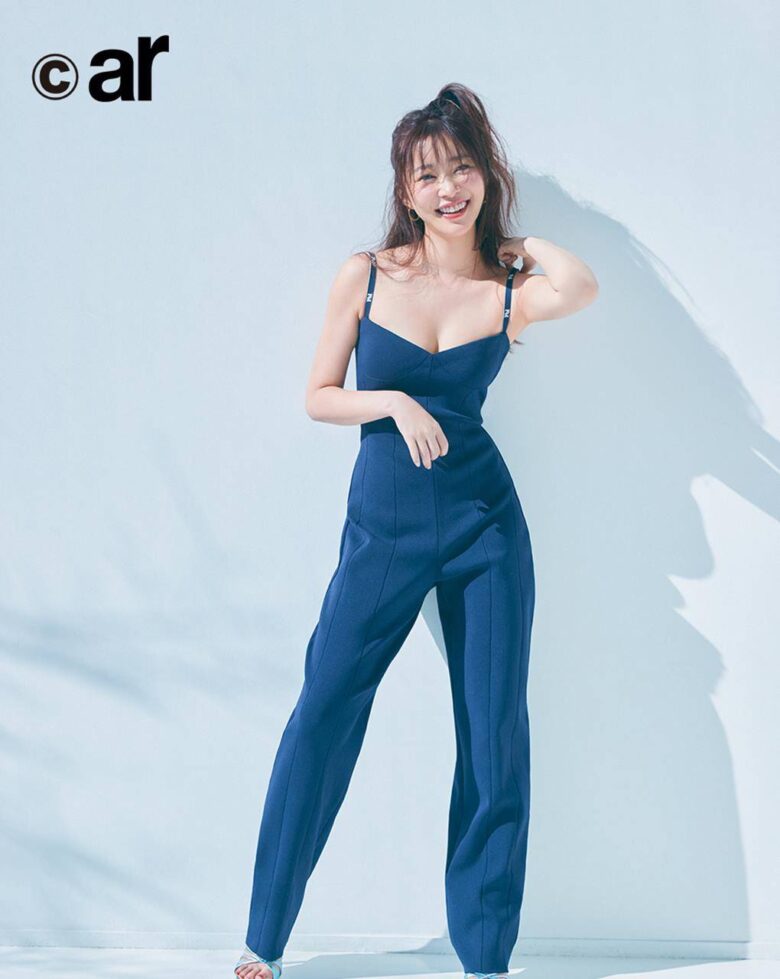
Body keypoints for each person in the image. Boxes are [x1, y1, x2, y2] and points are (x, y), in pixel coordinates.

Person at [233, 82, 599, 979]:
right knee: (325, 710)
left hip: (485, 528)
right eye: (428, 174)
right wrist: (392, 401)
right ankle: (262, 941)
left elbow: (581, 286)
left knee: (493, 735)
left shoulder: (506, 292)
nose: (447, 189)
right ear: (404, 187)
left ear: (486, 177)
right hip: (385, 529)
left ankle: (486, 961)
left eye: (462, 168)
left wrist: (517, 246)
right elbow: (319, 395)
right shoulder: (365, 276)